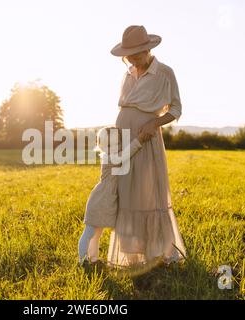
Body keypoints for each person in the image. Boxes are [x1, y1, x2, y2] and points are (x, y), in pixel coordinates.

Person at [107, 25, 187, 269]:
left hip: (146, 137)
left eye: (137, 54)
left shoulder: (164, 73)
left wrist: (154, 122)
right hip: (123, 136)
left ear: (148, 49)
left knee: (149, 192)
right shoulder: (128, 73)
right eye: (129, 55)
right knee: (127, 192)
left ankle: (157, 253)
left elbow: (175, 109)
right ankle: (133, 255)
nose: (133, 59)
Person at [78, 126, 147, 268]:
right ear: (102, 146)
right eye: (109, 145)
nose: (114, 147)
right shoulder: (109, 157)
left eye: (117, 143)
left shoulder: (112, 155)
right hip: (99, 200)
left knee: (97, 234)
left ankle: (93, 259)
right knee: (90, 232)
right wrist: (138, 141)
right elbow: (124, 156)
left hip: (106, 200)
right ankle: (82, 261)